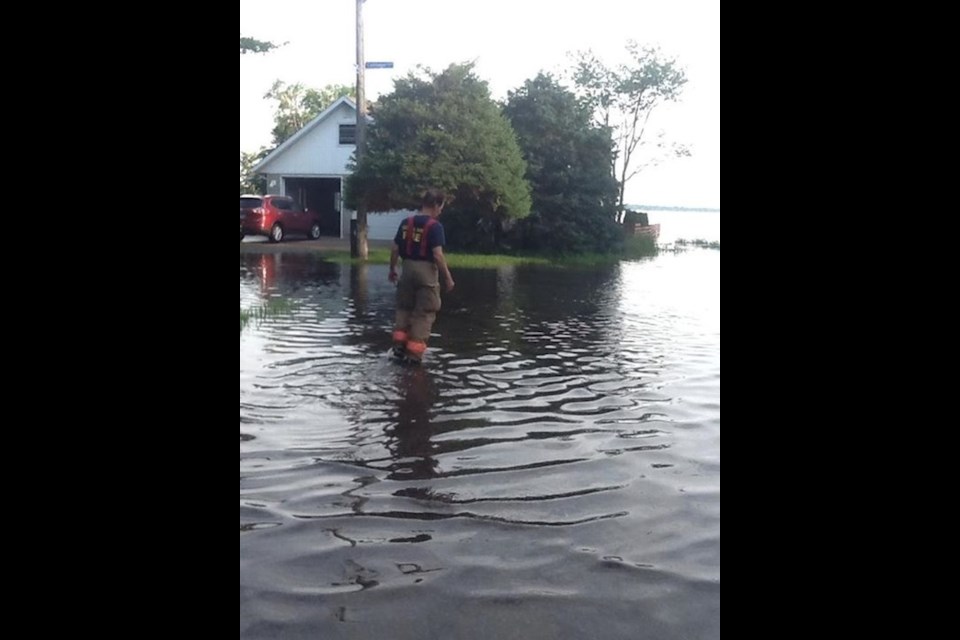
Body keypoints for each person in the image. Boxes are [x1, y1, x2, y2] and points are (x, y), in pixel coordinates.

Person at [389, 188, 455, 363]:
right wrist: (447, 278)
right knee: (424, 313)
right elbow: (438, 255)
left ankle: (398, 349)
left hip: (406, 271)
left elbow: (395, 249)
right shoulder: (435, 227)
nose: (441, 211)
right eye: (441, 206)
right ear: (435, 205)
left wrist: (392, 269)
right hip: (426, 274)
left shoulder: (406, 223)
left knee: (404, 309)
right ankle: (414, 356)